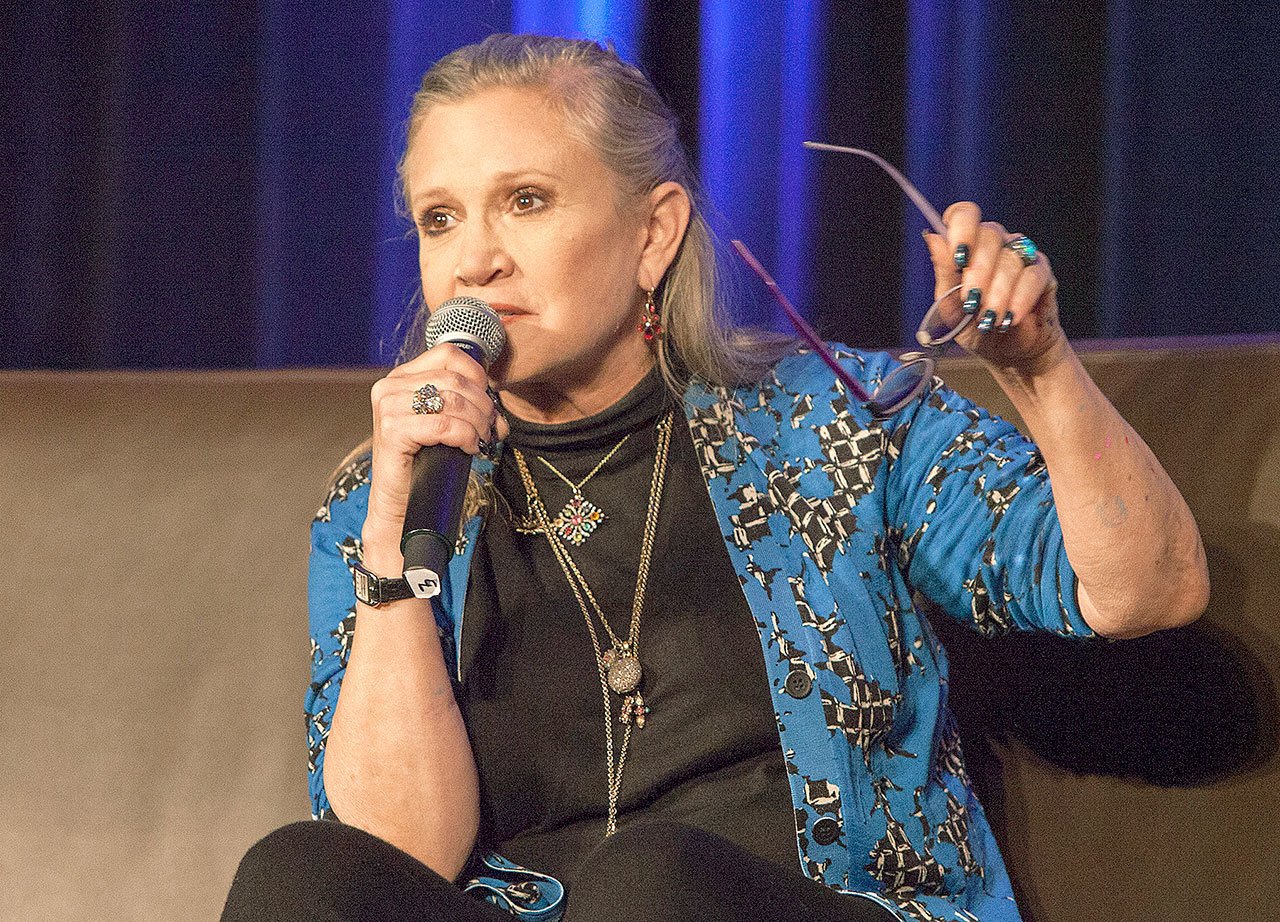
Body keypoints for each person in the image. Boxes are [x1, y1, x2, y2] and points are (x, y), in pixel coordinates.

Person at [221, 32, 1209, 922]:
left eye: (524, 201)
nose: (473, 259)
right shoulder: (387, 502)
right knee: (299, 876)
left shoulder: (834, 423)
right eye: (440, 218)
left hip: (777, 905)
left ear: (652, 234)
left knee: (651, 888)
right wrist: (395, 535)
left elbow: (1143, 590)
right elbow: (399, 858)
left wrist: (1036, 372)